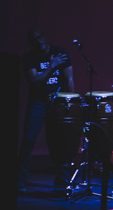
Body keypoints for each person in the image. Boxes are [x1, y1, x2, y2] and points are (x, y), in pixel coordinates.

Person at [18, 30, 77, 191]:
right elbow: (35, 81)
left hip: (58, 103)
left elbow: (69, 79)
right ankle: (20, 180)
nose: (38, 40)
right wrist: (51, 66)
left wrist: (70, 103)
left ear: (45, 36)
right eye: (34, 39)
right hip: (38, 103)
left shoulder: (60, 52)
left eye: (39, 36)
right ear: (31, 42)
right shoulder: (29, 58)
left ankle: (62, 179)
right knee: (29, 139)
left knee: (60, 141)